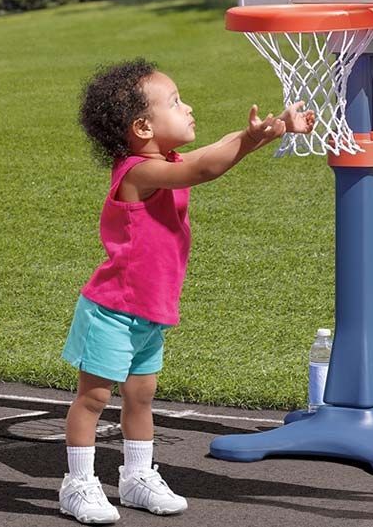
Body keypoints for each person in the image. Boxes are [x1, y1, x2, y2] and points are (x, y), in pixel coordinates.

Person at [58, 59, 315, 524]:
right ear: (142, 127)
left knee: (141, 397)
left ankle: (136, 478)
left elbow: (211, 152)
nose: (188, 106)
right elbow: (202, 169)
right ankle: (77, 484)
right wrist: (255, 138)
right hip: (111, 310)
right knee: (93, 399)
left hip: (148, 312)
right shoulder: (138, 172)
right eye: (175, 102)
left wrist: (260, 133)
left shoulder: (166, 162)